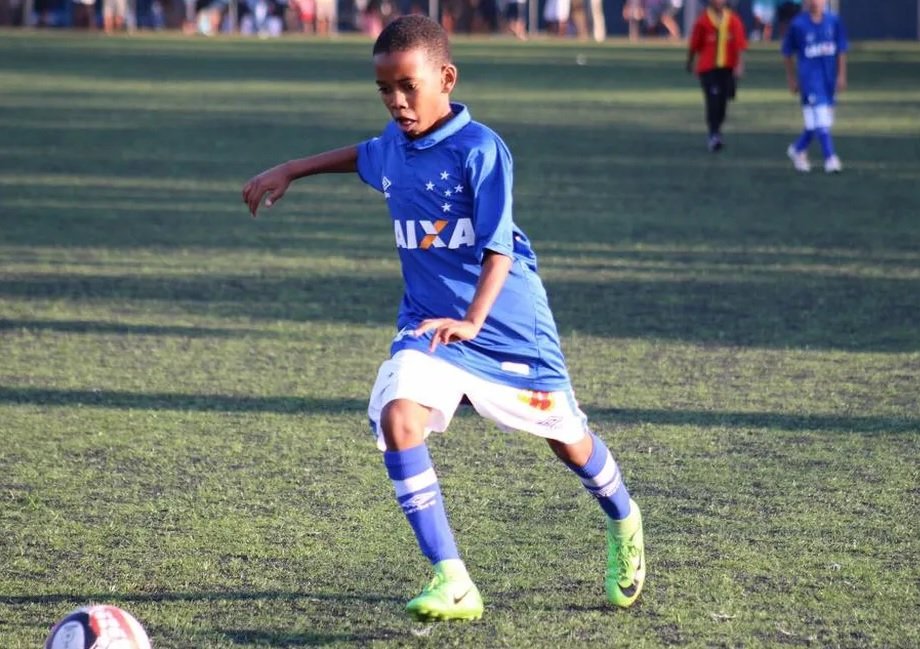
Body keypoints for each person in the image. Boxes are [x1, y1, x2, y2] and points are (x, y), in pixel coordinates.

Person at [241, 14, 646, 622]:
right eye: (385, 90)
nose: (398, 102)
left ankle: (623, 516)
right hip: (431, 323)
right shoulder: (394, 148)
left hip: (506, 324)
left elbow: (499, 249)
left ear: (447, 78)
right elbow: (364, 156)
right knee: (399, 418)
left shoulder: (480, 149)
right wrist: (291, 169)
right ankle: (453, 579)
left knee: (567, 440)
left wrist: (476, 320)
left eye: (408, 86)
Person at [782, 0, 847, 173]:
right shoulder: (798, 25)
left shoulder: (834, 21)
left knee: (814, 125)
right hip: (809, 80)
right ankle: (830, 158)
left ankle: (797, 149)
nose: (815, 2)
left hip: (828, 80)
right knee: (821, 119)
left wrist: (841, 75)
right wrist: (791, 78)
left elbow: (841, 50)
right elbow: (787, 52)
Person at [686, 0, 747, 152]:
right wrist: (690, 61)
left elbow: (739, 45)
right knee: (712, 101)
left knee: (722, 103)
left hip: (727, 68)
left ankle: (717, 130)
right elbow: (695, 43)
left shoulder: (733, 20)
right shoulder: (703, 20)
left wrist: (739, 65)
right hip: (708, 68)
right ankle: (713, 134)